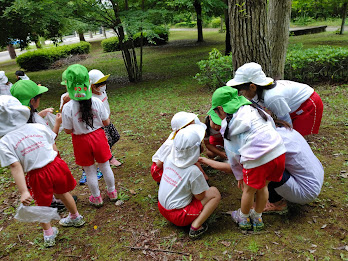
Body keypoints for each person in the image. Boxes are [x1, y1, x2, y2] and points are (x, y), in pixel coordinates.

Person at [0, 95, 85, 248]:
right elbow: (52, 144)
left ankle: (49, 234)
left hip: (37, 175)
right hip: (56, 165)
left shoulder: (5, 142)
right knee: (63, 193)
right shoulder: (37, 126)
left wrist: (24, 192)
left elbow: (15, 167)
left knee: (42, 205)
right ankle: (76, 217)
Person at [208, 86, 286, 231]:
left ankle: (243, 218)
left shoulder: (229, 126)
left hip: (257, 159)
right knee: (263, 186)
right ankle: (257, 217)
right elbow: (272, 127)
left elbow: (233, 156)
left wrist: (239, 176)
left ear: (221, 109)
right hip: (278, 152)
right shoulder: (254, 110)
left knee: (248, 190)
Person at [62, 64, 117, 207]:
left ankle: (96, 198)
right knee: (105, 166)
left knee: (90, 171)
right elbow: (106, 122)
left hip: (80, 141)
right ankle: (112, 193)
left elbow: (67, 130)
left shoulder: (68, 107)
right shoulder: (97, 102)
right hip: (98, 137)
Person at [158, 124, 221, 239]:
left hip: (162, 207)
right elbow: (200, 197)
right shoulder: (193, 171)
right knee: (214, 193)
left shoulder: (169, 158)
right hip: (179, 215)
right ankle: (196, 227)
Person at [226, 62, 323, 136]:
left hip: (309, 103)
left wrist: (287, 136)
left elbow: (286, 121)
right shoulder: (258, 94)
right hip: (293, 106)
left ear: (252, 87)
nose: (242, 95)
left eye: (242, 91)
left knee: (297, 135)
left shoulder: (272, 98)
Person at [264, 120, 324, 214]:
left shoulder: (273, 141)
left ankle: (277, 203)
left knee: (266, 165)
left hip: (306, 191)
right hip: (315, 177)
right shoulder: (284, 129)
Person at [59, 70, 103, 185]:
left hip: (83, 136)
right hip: (88, 134)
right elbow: (63, 114)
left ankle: (97, 175)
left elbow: (67, 129)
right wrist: (64, 103)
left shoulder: (88, 97)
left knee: (97, 164)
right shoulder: (65, 99)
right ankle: (109, 188)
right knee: (90, 164)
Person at [151, 111, 208, 183]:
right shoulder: (171, 144)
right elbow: (159, 164)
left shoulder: (183, 137)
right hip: (159, 170)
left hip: (175, 161)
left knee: (188, 157)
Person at [89, 69, 122, 167]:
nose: (103, 85)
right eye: (100, 84)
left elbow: (106, 104)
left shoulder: (102, 92)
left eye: (104, 82)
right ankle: (109, 158)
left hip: (107, 120)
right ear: (92, 85)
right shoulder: (91, 98)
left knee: (115, 136)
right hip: (99, 125)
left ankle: (107, 155)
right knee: (106, 141)